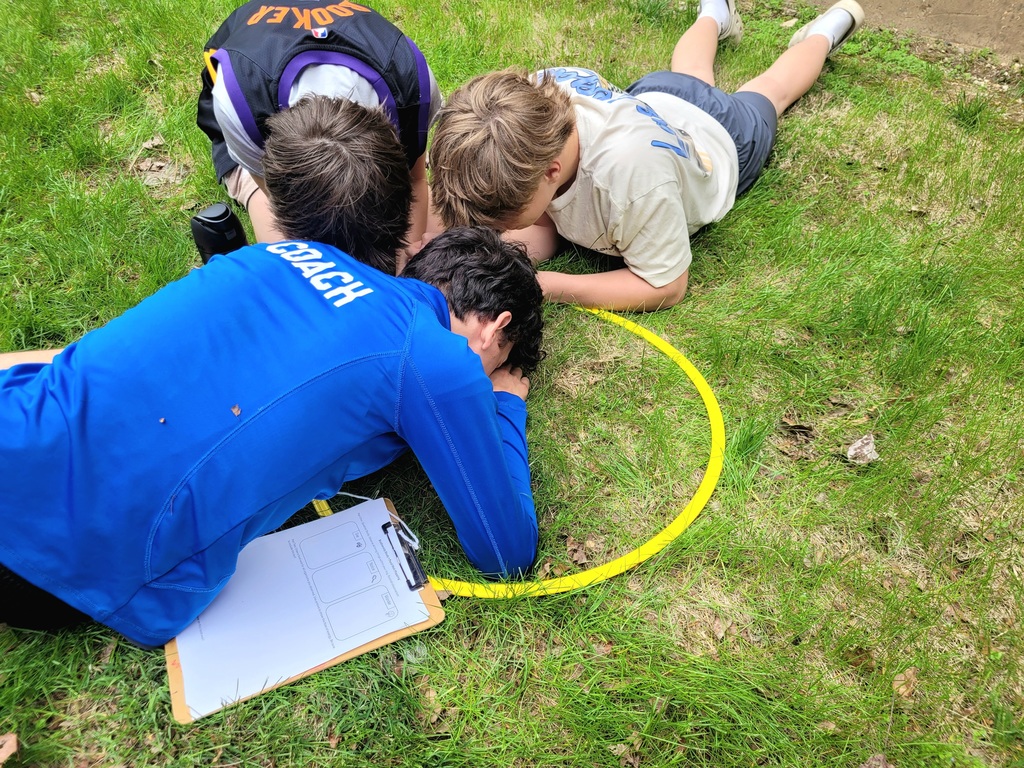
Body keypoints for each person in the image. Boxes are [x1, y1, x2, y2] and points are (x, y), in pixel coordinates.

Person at [0, 121, 544, 646]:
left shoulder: (281, 253)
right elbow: (505, 550)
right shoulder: (435, 357)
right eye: (498, 361)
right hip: (52, 560)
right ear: (495, 329)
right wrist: (502, 405)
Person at [429, 0, 865, 311]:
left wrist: (549, 286)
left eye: (507, 222)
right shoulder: (535, 98)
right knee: (690, 74)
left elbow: (666, 285)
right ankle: (714, 12)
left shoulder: (633, 184)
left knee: (770, 90)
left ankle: (827, 31)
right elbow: (549, 220)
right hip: (658, 97)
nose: (498, 232)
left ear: (550, 171)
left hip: (718, 135)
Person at [195, 0, 443, 266]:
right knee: (278, 241)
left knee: (432, 232)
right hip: (257, 121)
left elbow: (416, 181)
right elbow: (277, 206)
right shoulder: (239, 101)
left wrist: (405, 272)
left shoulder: (413, 85)